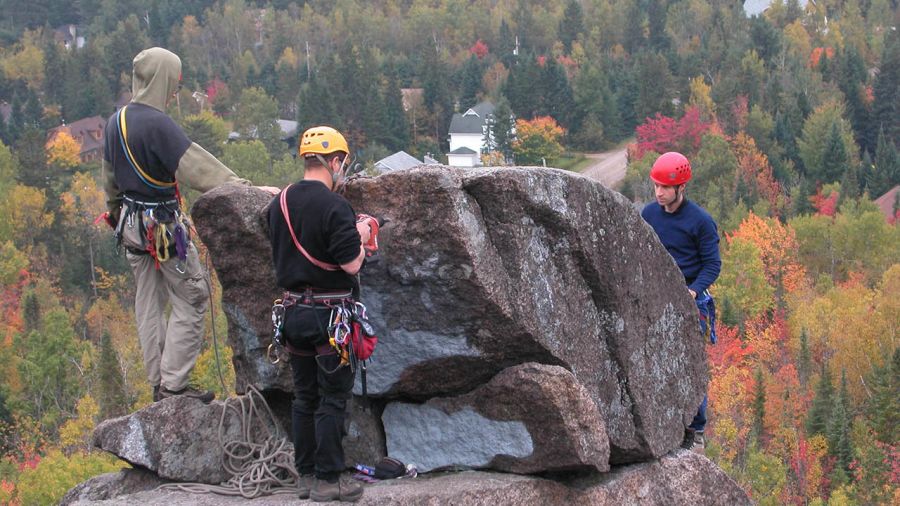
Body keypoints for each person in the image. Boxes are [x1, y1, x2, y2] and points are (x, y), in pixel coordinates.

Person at [101, 47, 250, 404]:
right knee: (192, 297)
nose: (175, 91)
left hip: (130, 226)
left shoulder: (115, 122)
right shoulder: (158, 124)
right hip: (163, 228)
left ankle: (158, 383)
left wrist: (114, 212)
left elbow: (109, 179)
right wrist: (243, 187)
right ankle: (174, 387)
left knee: (148, 302)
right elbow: (195, 167)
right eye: (174, 83)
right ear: (163, 79)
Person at [267, 126, 373, 503]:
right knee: (332, 398)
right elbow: (351, 265)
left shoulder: (278, 202)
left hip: (293, 313)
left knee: (304, 397)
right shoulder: (335, 207)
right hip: (331, 318)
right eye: (341, 163)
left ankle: (306, 476)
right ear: (334, 161)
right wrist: (360, 233)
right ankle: (329, 480)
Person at [640, 151, 721, 452]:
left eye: (665, 187)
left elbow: (712, 265)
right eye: (656, 186)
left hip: (689, 298)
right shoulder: (648, 214)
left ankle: (695, 431)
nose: (659, 192)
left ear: (680, 187)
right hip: (656, 295)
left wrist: (693, 291)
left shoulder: (700, 221)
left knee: (690, 364)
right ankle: (660, 419)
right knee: (654, 359)